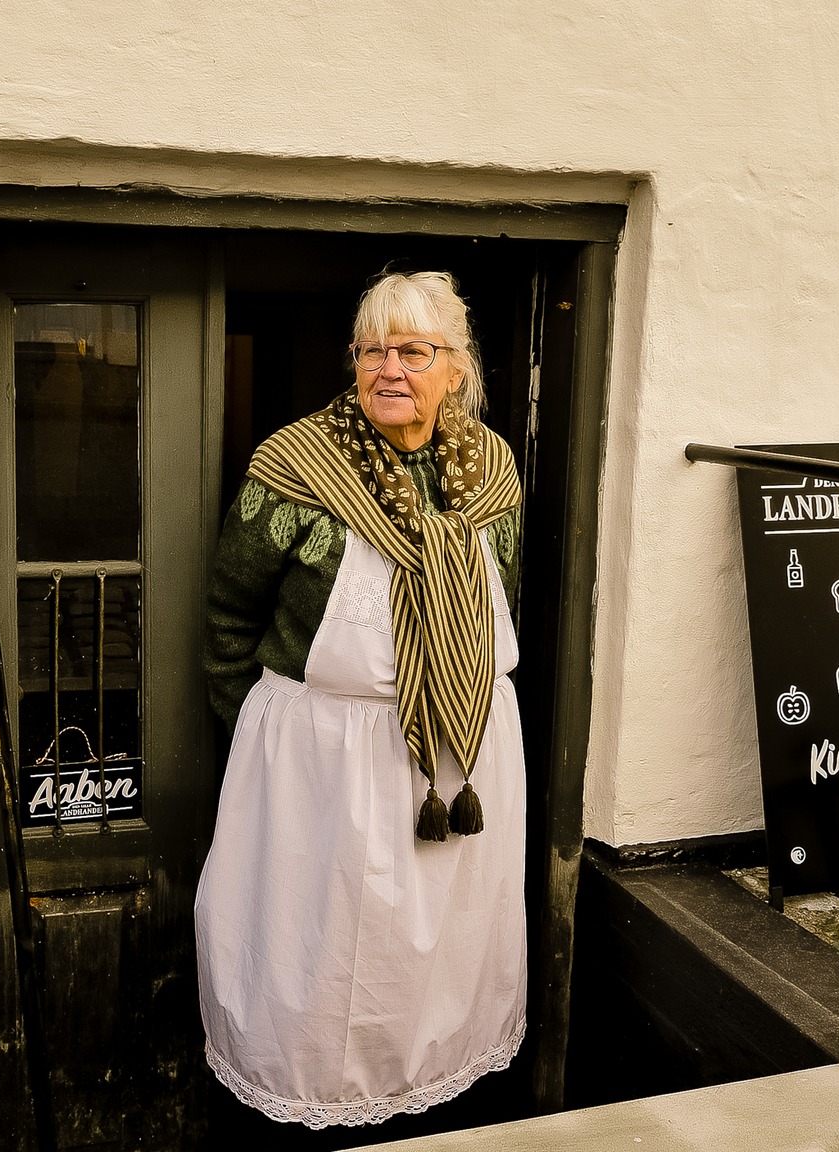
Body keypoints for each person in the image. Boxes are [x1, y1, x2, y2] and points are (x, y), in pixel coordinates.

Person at [197, 271, 527, 1136]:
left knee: (443, 965)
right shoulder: (294, 467)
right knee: (317, 969)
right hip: (320, 774)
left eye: (413, 351)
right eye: (372, 350)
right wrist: (265, 752)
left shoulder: (493, 471)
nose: (389, 369)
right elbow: (230, 619)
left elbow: (502, 604)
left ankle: (430, 1110)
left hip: (459, 768)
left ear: (455, 368)